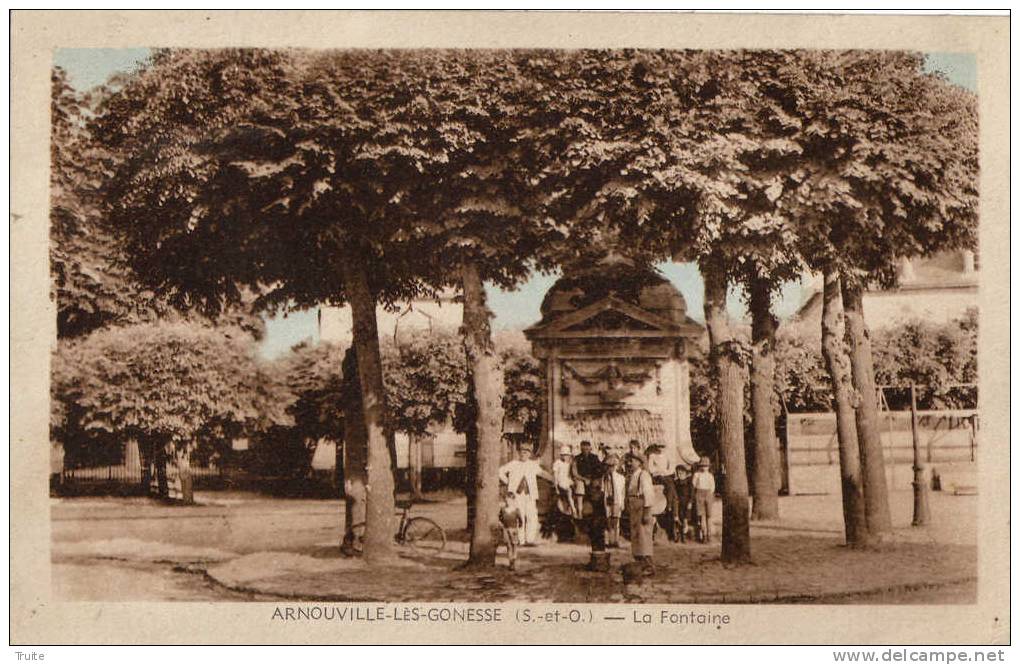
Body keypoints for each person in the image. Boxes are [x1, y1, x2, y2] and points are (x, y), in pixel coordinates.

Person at [498, 445, 551, 546]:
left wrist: (553, 479)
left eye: (526, 453)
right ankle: (520, 540)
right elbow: (500, 471)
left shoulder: (533, 465)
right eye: (522, 452)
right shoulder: (513, 464)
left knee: (532, 516)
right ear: (519, 453)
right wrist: (508, 482)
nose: (523, 454)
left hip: (529, 494)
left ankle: (530, 540)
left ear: (529, 454)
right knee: (520, 515)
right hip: (516, 494)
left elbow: (542, 473)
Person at [625, 451, 656, 575]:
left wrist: (647, 512)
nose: (629, 463)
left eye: (632, 461)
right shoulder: (633, 475)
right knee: (636, 536)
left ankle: (648, 565)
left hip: (642, 507)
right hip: (634, 507)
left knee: (643, 536)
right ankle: (640, 563)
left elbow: (648, 494)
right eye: (628, 460)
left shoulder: (644, 475)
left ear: (639, 462)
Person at [646, 443, 680, 541]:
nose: (661, 449)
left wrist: (664, 472)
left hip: (666, 475)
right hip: (656, 476)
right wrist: (658, 471)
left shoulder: (668, 455)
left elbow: (671, 468)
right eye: (659, 447)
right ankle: (668, 508)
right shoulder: (652, 456)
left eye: (662, 447)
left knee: (671, 488)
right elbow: (651, 468)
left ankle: (671, 509)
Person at [570, 440, 601, 519]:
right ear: (581, 449)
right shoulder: (577, 458)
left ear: (590, 448)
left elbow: (599, 470)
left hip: (592, 479)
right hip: (581, 479)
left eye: (587, 449)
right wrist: (584, 479)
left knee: (596, 490)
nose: (586, 451)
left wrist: (594, 479)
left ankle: (596, 513)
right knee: (580, 487)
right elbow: (574, 473)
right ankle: (580, 512)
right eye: (584, 449)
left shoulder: (594, 458)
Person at [602, 451, 626, 548]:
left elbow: (622, 491)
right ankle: (609, 540)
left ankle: (616, 540)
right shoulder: (605, 478)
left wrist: (622, 503)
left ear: (616, 466)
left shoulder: (621, 478)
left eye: (613, 466)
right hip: (608, 501)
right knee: (608, 521)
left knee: (616, 521)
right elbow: (603, 491)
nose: (611, 468)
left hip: (617, 501)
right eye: (609, 466)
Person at [691, 456, 716, 543]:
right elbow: (694, 484)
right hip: (699, 493)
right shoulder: (697, 475)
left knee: (709, 516)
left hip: (708, 493)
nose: (704, 468)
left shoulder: (710, 476)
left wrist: (709, 494)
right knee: (701, 516)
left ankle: (710, 535)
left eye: (706, 466)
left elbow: (712, 487)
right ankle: (704, 534)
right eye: (702, 466)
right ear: (700, 466)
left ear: (709, 467)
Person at [499, 492, 524, 571]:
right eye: (506, 500)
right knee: (508, 546)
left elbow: (521, 521)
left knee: (514, 545)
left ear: (513, 501)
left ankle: (514, 559)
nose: (508, 502)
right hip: (506, 529)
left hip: (513, 530)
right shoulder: (503, 510)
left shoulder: (516, 510)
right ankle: (510, 562)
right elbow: (500, 518)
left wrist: (518, 528)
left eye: (510, 500)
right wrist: (501, 525)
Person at [552, 445, 575, 517]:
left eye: (567, 455)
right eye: (564, 455)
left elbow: (570, 474)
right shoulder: (557, 463)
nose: (566, 457)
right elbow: (555, 476)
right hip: (561, 481)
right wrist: (556, 486)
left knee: (573, 491)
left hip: (567, 480)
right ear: (561, 455)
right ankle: (573, 509)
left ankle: (570, 508)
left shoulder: (569, 463)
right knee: (568, 492)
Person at [673, 463, 694, 543]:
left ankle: (684, 535)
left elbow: (692, 494)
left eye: (681, 473)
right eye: (678, 473)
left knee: (685, 519)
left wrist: (690, 502)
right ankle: (677, 535)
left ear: (685, 473)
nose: (680, 475)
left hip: (686, 503)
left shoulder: (689, 483)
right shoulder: (676, 483)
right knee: (677, 519)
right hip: (679, 503)